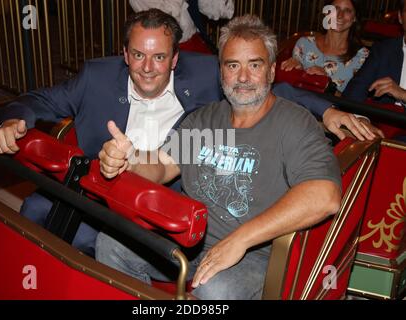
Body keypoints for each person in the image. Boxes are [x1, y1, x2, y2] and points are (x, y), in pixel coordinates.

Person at [0, 9, 377, 256]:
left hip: (167, 194)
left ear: (176, 59)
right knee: (35, 212)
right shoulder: (95, 76)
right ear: (125, 55)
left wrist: (326, 111)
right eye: (138, 55)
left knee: (109, 246)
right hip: (100, 186)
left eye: (159, 57)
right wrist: (11, 119)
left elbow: (265, 83)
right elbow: (37, 100)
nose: (148, 68)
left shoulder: (210, 71)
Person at [96, 15, 342, 300]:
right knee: (110, 243)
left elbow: (325, 195)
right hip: (191, 241)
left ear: (272, 71)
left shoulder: (294, 123)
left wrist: (240, 240)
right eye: (233, 65)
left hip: (257, 253)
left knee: (214, 290)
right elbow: (162, 167)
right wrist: (130, 160)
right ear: (221, 71)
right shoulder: (204, 119)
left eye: (255, 65)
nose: (243, 78)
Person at [281, 0, 369, 93]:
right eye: (335, 9)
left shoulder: (362, 57)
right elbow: (289, 90)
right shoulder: (304, 44)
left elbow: (355, 102)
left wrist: (326, 83)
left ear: (354, 17)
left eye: (347, 11)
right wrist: (293, 70)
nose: (340, 15)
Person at [343, 0, 406, 106]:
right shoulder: (383, 50)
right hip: (379, 120)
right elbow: (352, 96)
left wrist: (403, 95)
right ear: (400, 17)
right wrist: (363, 119)